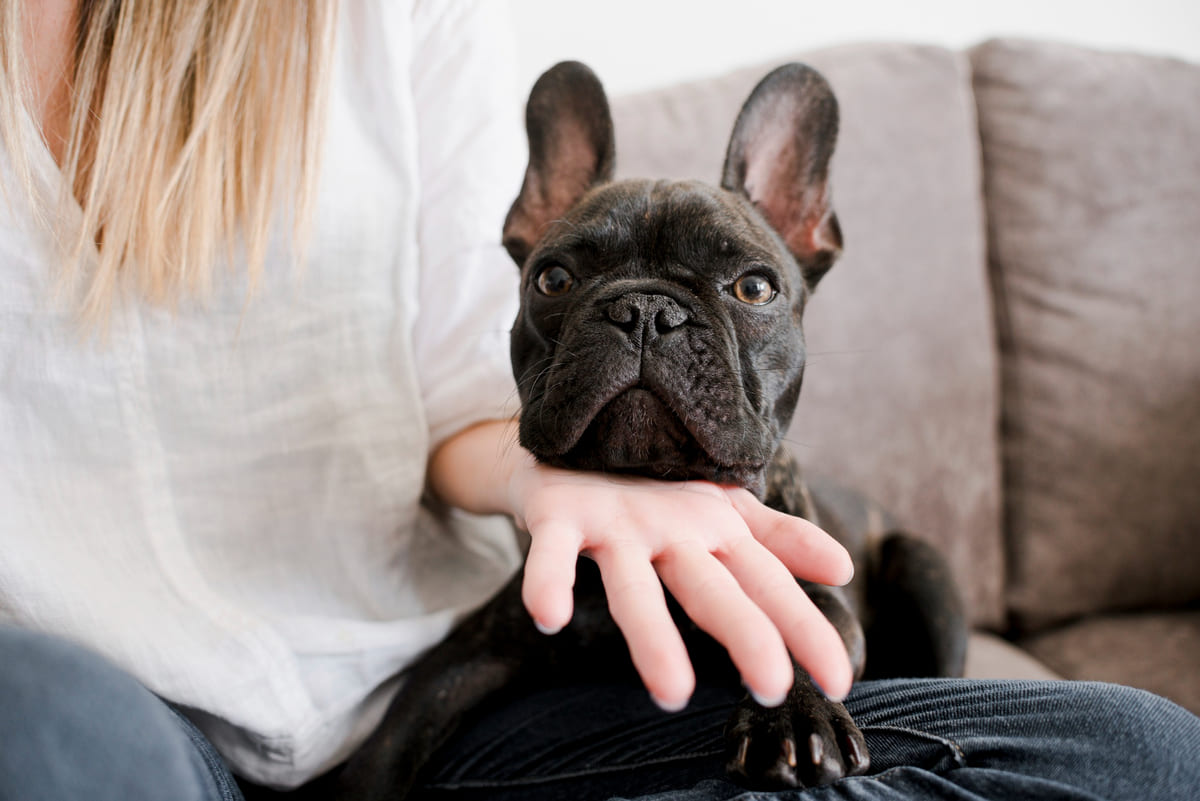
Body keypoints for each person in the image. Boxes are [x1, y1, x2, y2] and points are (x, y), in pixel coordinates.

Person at [0, 2, 1196, 801]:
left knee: (1141, 751)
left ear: (807, 233)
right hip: (121, 714)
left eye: (740, 285)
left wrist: (533, 482)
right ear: (534, 228)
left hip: (469, 717)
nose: (648, 325)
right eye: (572, 280)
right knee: (34, 720)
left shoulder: (391, 19)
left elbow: (454, 392)